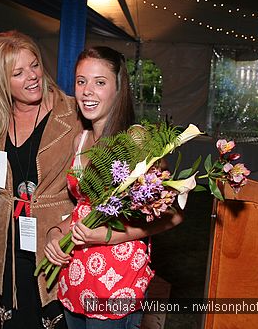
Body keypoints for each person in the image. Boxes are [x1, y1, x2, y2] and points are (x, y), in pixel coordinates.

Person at [44, 46, 184, 328]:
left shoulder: (136, 141)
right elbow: (82, 205)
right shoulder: (80, 140)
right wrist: (58, 232)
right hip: (77, 270)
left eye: (100, 82)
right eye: (81, 81)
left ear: (118, 88)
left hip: (115, 278)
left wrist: (109, 236)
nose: (87, 91)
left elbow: (174, 214)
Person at [0, 30, 82, 329]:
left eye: (34, 65)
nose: (32, 77)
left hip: (55, 240)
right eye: (18, 72)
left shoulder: (74, 113)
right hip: (9, 243)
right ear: (1, 81)